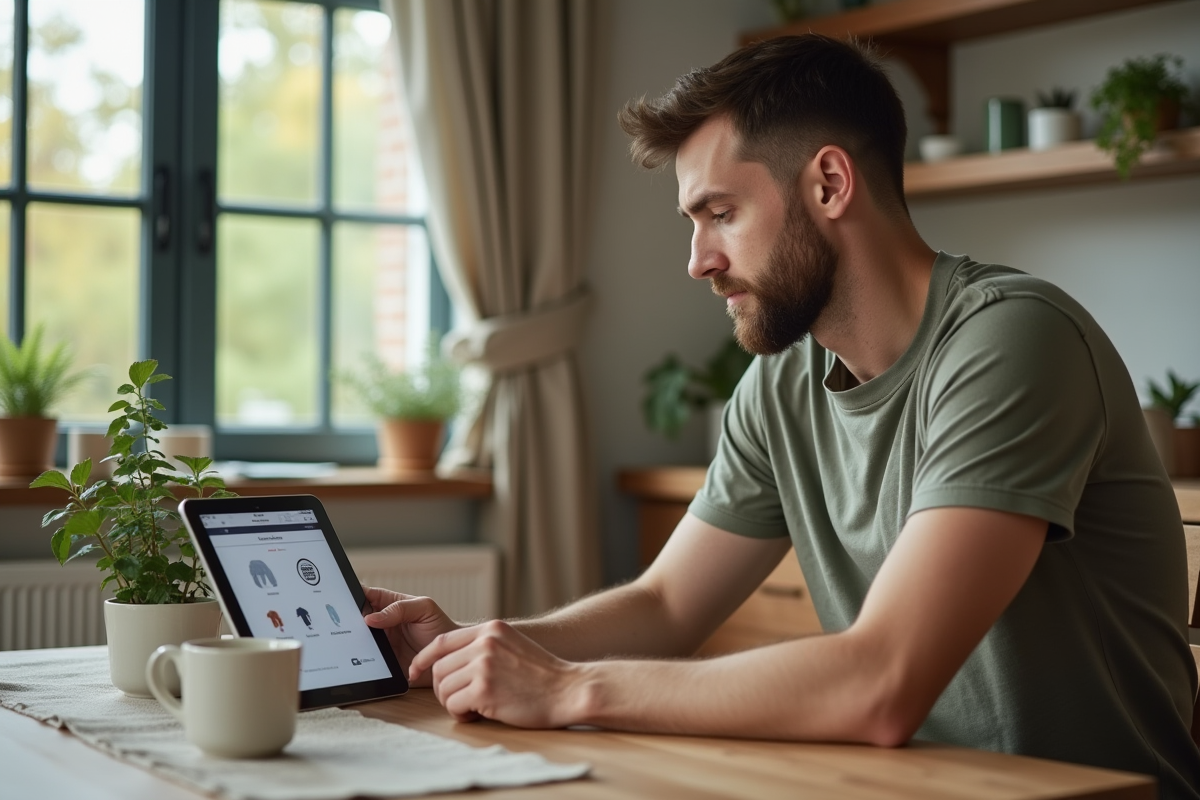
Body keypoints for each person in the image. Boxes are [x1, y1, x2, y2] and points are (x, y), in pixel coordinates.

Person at [364, 34, 1200, 796]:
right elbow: (665, 608)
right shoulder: (780, 387)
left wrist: (566, 689)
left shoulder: (1010, 341)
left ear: (830, 183)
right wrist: (476, 647)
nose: (699, 262)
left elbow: (882, 682)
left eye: (720, 214)